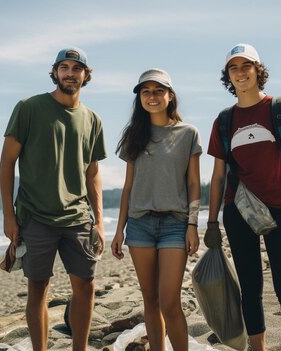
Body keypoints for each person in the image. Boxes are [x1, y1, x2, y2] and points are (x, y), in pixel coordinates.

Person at [205, 43, 281, 351]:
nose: (240, 72)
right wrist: (211, 222)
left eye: (246, 65)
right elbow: (218, 176)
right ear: (228, 77)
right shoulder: (223, 121)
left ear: (259, 70)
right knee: (250, 287)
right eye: (234, 67)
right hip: (238, 211)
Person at [0, 47, 106, 351]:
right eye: (64, 67)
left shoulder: (92, 119)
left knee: (86, 287)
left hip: (78, 218)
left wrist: (98, 220)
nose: (70, 73)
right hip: (36, 216)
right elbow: (7, 162)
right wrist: (9, 215)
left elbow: (93, 172)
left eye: (76, 68)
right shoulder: (29, 107)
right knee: (38, 288)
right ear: (55, 72)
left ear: (86, 75)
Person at [111, 68, 201, 351]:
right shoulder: (134, 135)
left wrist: (193, 225)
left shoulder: (188, 133)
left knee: (170, 301)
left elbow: (194, 184)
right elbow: (128, 187)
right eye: (145, 91)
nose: (152, 96)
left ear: (170, 95)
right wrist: (118, 230)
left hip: (175, 225)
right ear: (139, 98)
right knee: (149, 300)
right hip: (139, 226)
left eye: (158, 90)